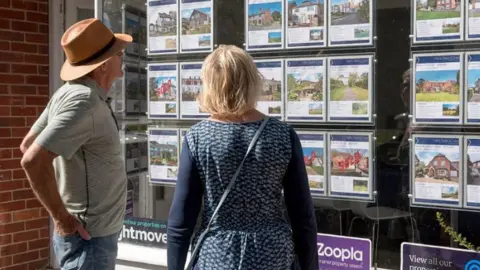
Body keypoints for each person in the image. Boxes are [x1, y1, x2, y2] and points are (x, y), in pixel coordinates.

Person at [167, 45, 318, 270]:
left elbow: (181, 222)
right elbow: (302, 217)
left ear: (210, 85)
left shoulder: (198, 139)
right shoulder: (283, 135)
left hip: (217, 255)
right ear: (251, 81)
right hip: (272, 255)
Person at [20, 18, 132, 269]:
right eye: (118, 53)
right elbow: (32, 158)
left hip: (89, 237)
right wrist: (62, 218)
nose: (121, 56)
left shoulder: (69, 93)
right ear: (103, 65)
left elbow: (28, 144)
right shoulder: (84, 102)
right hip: (89, 240)